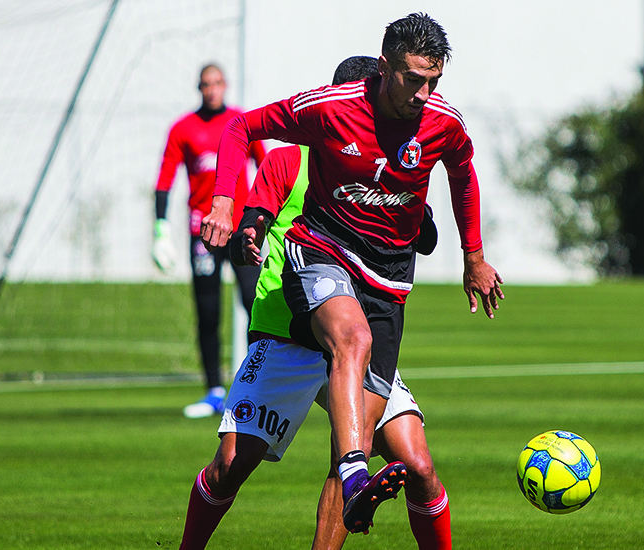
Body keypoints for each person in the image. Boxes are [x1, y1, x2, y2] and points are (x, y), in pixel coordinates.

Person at [201, 13, 504, 533]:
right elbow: (242, 131)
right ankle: (353, 475)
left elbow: (458, 178)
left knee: (414, 465)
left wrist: (472, 256)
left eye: (434, 82)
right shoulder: (317, 125)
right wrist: (230, 206)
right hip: (303, 294)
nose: (423, 94)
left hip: (385, 284)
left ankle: (353, 476)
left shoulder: (441, 123)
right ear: (384, 70)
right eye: (414, 79)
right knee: (238, 461)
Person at [178, 57, 451, 550]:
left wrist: (414, 208)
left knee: (418, 465)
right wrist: (247, 234)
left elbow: (426, 234)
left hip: (350, 339)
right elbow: (254, 217)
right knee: (228, 468)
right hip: (286, 334)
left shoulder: (384, 170)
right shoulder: (287, 159)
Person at [153, 63, 267, 418]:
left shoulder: (241, 123)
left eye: (217, 83)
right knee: (208, 311)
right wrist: (160, 229)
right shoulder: (183, 129)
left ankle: (257, 384)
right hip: (202, 233)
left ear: (225, 85)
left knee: (255, 305)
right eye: (206, 84)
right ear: (198, 88)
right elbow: (165, 179)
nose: (212, 89)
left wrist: (266, 218)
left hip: (241, 229)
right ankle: (214, 391)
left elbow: (267, 169)